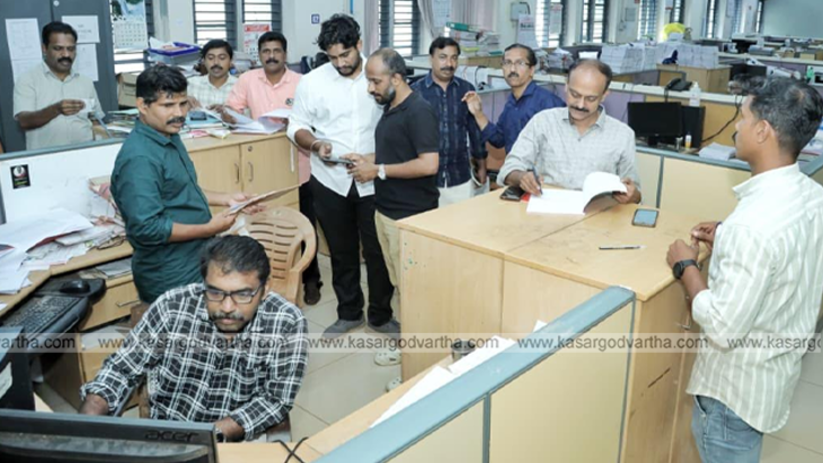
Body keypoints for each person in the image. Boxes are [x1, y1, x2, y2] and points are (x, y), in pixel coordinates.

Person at [666, 77, 823, 463]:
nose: (735, 125)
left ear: (763, 131)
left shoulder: (752, 226)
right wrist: (727, 238)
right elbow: (784, 260)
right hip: (772, 378)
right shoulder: (811, 195)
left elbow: (723, 325)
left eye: (742, 116)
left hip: (732, 396)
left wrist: (685, 266)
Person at [80, 236, 308, 443]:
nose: (227, 308)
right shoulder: (172, 306)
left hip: (235, 442)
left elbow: (275, 400)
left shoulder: (287, 323)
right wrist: (92, 411)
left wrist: (211, 435)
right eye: (215, 292)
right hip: (167, 435)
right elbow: (122, 369)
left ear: (265, 288)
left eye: (242, 294)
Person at [288, 15, 397, 339]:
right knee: (341, 250)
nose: (340, 63)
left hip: (373, 177)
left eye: (346, 55)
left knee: (377, 252)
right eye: (333, 57)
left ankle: (380, 315)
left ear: (359, 45)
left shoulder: (380, 75)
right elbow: (296, 126)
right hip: (329, 178)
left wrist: (378, 159)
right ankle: (349, 313)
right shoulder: (313, 81)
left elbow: (398, 120)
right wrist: (316, 143)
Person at [111, 65, 255, 304]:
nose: (179, 113)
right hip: (170, 271)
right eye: (168, 106)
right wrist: (209, 228)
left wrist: (226, 198)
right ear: (142, 105)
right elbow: (148, 228)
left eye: (183, 103)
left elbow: (180, 190)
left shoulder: (168, 135)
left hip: (196, 258)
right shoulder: (140, 158)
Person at [226, 32, 324, 305]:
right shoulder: (247, 80)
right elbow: (231, 109)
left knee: (304, 226)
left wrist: (293, 124)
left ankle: (311, 279)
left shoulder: (302, 82)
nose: (271, 55)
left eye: (276, 51)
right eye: (266, 51)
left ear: (285, 54)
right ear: (259, 55)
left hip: (299, 166)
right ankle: (269, 279)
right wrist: (228, 114)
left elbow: (316, 119)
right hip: (264, 167)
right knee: (270, 229)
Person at [346, 48, 439, 294]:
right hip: (386, 210)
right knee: (399, 283)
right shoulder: (391, 106)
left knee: (414, 288)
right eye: (369, 81)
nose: (370, 88)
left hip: (409, 215)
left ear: (396, 78)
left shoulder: (419, 111)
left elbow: (429, 163)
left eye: (376, 81)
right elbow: (398, 152)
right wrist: (366, 160)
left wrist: (378, 170)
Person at [497, 59, 641, 204]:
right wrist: (521, 177)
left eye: (590, 98)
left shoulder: (623, 135)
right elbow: (509, 169)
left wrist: (632, 195)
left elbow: (635, 193)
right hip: (548, 212)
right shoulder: (543, 121)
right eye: (575, 94)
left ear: (604, 95)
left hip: (598, 216)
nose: (580, 104)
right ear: (566, 86)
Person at [410, 37, 486, 206]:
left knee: (461, 228)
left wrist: (482, 165)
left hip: (459, 176)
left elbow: (474, 131)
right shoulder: (415, 92)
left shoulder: (466, 90)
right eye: (443, 57)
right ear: (431, 59)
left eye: (454, 58)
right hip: (424, 180)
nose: (449, 64)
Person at [13, 21, 104, 151]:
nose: (66, 55)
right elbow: (24, 121)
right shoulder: (28, 80)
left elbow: (96, 120)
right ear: (44, 48)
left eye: (71, 49)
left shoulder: (85, 82)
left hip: (85, 155)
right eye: (58, 48)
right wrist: (56, 109)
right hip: (46, 159)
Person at [462, 43, 565, 156]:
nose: (512, 69)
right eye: (507, 63)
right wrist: (478, 113)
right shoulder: (511, 103)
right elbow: (498, 139)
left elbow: (562, 149)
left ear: (531, 70)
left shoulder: (548, 103)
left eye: (520, 63)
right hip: (514, 171)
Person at [187, 39, 238, 110]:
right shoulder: (190, 84)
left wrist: (230, 111)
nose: (216, 62)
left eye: (222, 58)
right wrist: (182, 101)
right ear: (204, 61)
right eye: (210, 58)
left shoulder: (240, 86)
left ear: (231, 61)